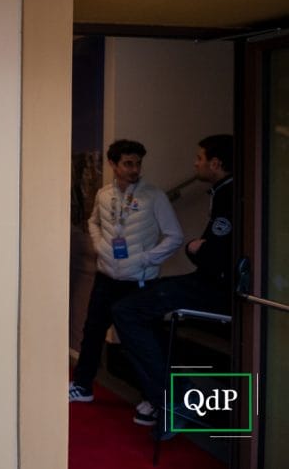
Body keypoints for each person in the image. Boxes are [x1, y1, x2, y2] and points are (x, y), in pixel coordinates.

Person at [111, 134, 234, 427]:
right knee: (137, 307)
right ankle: (167, 392)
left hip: (215, 287)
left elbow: (210, 255)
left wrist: (193, 248)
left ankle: (172, 397)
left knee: (126, 311)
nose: (195, 163)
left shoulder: (230, 195)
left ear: (215, 163)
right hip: (205, 280)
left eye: (199, 158)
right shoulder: (222, 192)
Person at [69, 139, 183, 405]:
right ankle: (83, 385)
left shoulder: (154, 196)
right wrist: (99, 245)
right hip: (106, 277)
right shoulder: (103, 194)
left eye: (138, 164)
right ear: (113, 164)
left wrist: (145, 258)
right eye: (128, 163)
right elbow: (93, 222)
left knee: (143, 342)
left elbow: (175, 236)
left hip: (139, 282)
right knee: (93, 332)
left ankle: (151, 399)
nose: (134, 169)